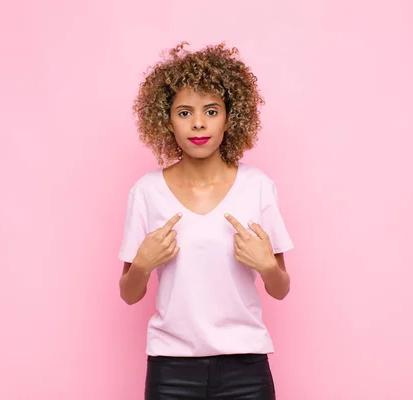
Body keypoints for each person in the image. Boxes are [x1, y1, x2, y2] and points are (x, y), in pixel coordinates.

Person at [118, 42, 294, 400]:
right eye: (184, 112)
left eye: (211, 111)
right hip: (171, 370)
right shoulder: (146, 192)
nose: (198, 123)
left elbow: (281, 288)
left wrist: (265, 267)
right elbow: (128, 293)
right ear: (166, 120)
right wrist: (143, 264)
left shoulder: (256, 186)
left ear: (230, 116)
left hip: (246, 367)